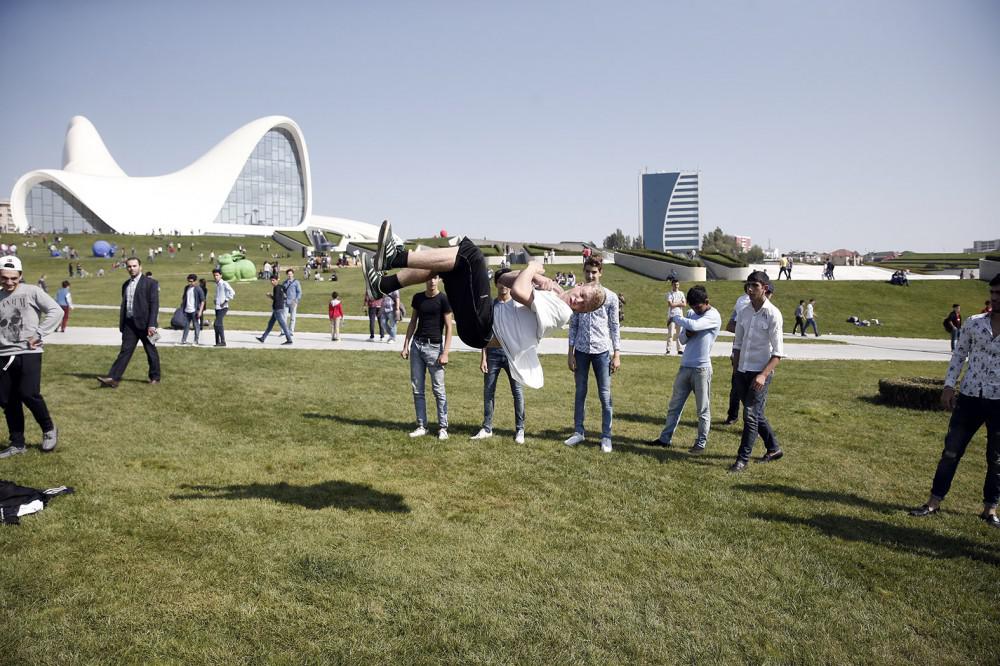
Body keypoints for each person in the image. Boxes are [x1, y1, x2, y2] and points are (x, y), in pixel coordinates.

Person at [362, 220, 604, 355]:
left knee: (473, 257)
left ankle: (394, 258)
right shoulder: (552, 294)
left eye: (583, 306)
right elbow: (502, 280)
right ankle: (382, 285)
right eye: (581, 295)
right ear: (579, 286)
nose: (578, 302)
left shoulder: (561, 313)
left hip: (484, 328)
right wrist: (531, 278)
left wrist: (532, 269)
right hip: (479, 326)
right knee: (448, 264)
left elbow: (518, 292)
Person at [909, 275, 1000, 529]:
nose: (994, 298)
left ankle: (990, 509)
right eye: (992, 293)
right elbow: (959, 355)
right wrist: (949, 385)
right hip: (970, 397)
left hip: (998, 401)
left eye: (999, 294)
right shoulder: (974, 323)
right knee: (951, 452)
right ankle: (933, 502)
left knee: (997, 460)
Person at [0, 256, 62, 458]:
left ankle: (49, 429)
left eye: (13, 278)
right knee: (7, 399)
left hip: (28, 351)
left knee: (28, 393)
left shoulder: (32, 291)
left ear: (20, 276)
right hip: (3, 354)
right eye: (4, 278)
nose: (9, 282)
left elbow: (56, 311)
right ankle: (17, 443)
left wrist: (39, 333)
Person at [649, 285, 722, 453]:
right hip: (685, 366)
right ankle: (665, 439)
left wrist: (675, 317)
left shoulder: (713, 315)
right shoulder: (690, 314)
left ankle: (700, 443)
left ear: (707, 301)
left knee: (702, 409)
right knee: (674, 406)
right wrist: (686, 332)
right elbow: (682, 339)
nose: (695, 310)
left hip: (701, 369)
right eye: (693, 307)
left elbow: (695, 326)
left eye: (698, 307)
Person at [728, 272, 785, 473]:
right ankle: (774, 448)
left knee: (750, 415)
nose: (750, 289)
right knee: (755, 413)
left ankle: (742, 459)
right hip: (742, 370)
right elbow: (737, 344)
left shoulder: (773, 314)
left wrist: (763, 375)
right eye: (747, 286)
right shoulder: (744, 312)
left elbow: (778, 353)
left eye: (754, 285)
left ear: (765, 288)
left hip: (760, 373)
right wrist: (736, 370)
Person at [564, 256, 621, 453]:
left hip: (602, 351)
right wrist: (570, 353)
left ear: (600, 273)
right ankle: (579, 431)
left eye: (594, 272)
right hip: (581, 350)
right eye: (587, 271)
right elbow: (573, 325)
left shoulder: (610, 297)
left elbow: (614, 326)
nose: (590, 275)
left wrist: (617, 354)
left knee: (605, 395)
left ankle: (606, 436)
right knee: (580, 392)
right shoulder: (578, 294)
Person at [471, 271, 526, 444]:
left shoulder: (517, 306)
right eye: (500, 282)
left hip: (512, 355)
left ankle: (520, 429)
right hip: (492, 354)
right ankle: (487, 428)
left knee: (517, 392)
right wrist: (483, 357)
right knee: (488, 391)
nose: (503, 286)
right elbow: (485, 333)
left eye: (506, 282)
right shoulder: (491, 306)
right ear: (496, 284)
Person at [401, 276, 453, 440]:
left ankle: (443, 427)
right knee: (417, 389)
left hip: (435, 349)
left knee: (438, 390)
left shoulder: (443, 299)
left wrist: (445, 352)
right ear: (425, 280)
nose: (432, 281)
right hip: (417, 346)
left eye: (435, 278)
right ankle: (422, 426)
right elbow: (413, 322)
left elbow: (449, 327)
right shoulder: (418, 298)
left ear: (439, 280)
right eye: (429, 278)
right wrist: (406, 345)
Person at [97, 257, 161, 388]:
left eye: (134, 266)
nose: (132, 269)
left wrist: (152, 324)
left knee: (151, 351)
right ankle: (113, 378)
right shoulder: (125, 284)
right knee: (125, 351)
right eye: (129, 266)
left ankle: (155, 377)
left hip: (146, 325)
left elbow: (154, 305)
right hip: (129, 324)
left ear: (140, 267)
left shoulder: (151, 283)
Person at [256, 275, 293, 345]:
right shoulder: (281, 287)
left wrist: (270, 296)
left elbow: (276, 299)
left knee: (283, 325)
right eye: (271, 280)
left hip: (277, 309)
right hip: (279, 308)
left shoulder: (276, 288)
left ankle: (289, 340)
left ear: (277, 280)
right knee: (270, 324)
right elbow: (284, 295)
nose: (272, 282)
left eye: (273, 280)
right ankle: (263, 338)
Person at [179, 274, 205, 346]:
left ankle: (196, 340)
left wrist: (200, 311)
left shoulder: (198, 289)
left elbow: (203, 301)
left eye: (191, 281)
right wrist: (182, 306)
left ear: (195, 281)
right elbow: (184, 298)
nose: (190, 283)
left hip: (194, 311)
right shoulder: (186, 288)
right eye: (189, 281)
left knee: (196, 325)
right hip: (187, 310)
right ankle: (183, 340)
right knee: (186, 326)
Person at [212, 268, 235, 347]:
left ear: (221, 275)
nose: (215, 277)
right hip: (217, 307)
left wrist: (225, 301)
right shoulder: (217, 284)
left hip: (223, 308)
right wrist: (215, 300)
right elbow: (219, 294)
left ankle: (222, 342)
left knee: (217, 323)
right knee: (218, 324)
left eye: (217, 275)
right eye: (214, 275)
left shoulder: (224, 283)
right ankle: (218, 342)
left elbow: (232, 292)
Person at [665, 279, 686, 355]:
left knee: (679, 334)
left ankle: (679, 349)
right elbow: (670, 304)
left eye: (677, 284)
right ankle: (668, 349)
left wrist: (675, 303)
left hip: (679, 316)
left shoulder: (681, 293)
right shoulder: (670, 294)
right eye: (674, 284)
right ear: (672, 285)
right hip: (672, 316)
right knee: (671, 334)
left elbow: (684, 304)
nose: (676, 286)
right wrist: (679, 303)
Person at [282, 268, 302, 334]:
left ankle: (291, 331)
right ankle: (283, 331)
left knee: (292, 317)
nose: (289, 275)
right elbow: (282, 291)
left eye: (290, 274)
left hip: (293, 302)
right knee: (284, 317)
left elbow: (299, 292)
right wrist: (283, 295)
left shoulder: (296, 282)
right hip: (285, 302)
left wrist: (296, 300)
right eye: (288, 274)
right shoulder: (284, 282)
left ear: (293, 274)